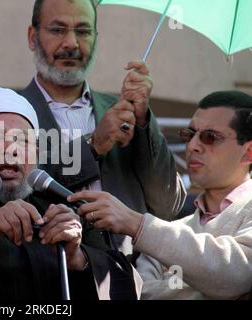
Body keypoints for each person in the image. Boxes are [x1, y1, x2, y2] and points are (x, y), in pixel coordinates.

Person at [0, 87, 142, 300]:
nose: (11, 150)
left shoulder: (65, 209)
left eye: (22, 140)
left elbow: (129, 286)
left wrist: (77, 258)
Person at [19, 0, 186, 254]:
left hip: (127, 276)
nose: (71, 44)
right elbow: (15, 188)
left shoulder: (123, 111)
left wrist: (143, 124)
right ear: (33, 37)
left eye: (83, 31)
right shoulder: (11, 112)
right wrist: (93, 145)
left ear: (95, 39)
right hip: (51, 271)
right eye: (57, 30)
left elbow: (167, 205)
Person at [68, 91, 252, 299]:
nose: (192, 146)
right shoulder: (172, 228)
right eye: (189, 134)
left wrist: (136, 223)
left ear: (248, 152)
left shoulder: (156, 233)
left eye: (210, 137)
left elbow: (235, 274)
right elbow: (143, 293)